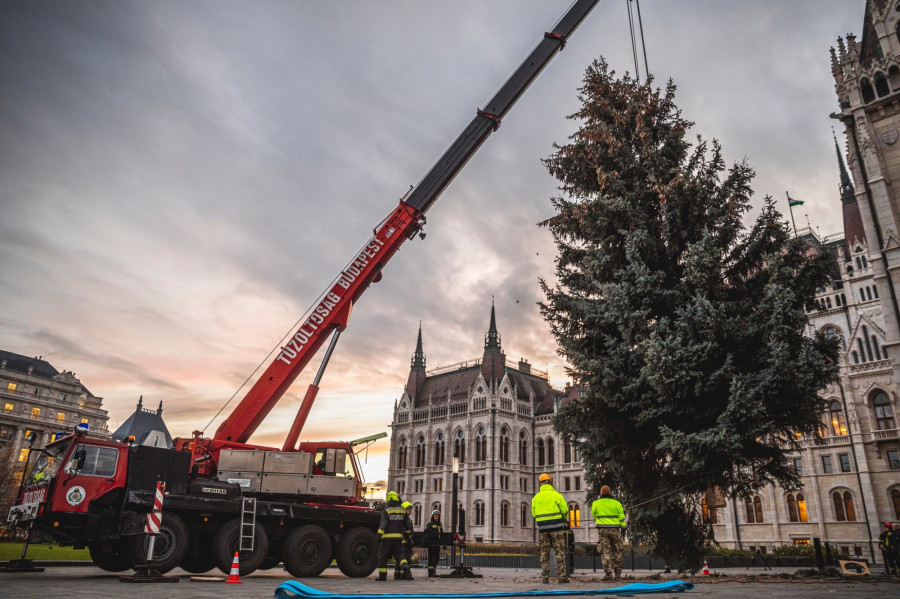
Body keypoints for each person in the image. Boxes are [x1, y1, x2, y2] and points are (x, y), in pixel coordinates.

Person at [531, 472, 569, 584]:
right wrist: (563, 519)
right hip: (556, 528)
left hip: (543, 530)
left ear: (540, 484)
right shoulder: (557, 495)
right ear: (551, 482)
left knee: (544, 553)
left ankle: (545, 577)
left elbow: (534, 514)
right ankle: (562, 577)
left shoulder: (535, 498)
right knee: (559, 552)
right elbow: (565, 510)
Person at [591, 484, 626, 581]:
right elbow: (621, 517)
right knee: (617, 551)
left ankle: (608, 574)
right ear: (610, 492)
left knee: (605, 551)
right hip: (615, 530)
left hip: (602, 530)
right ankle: (618, 575)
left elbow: (594, 515)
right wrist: (623, 527)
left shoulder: (596, 503)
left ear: (601, 493)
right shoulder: (617, 503)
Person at [376, 491, 413, 581]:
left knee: (382, 556)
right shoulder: (402, 510)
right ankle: (406, 567)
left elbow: (383, 524)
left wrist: (379, 535)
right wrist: (408, 535)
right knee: (399, 555)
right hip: (398, 538)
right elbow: (408, 526)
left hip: (387, 538)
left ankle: (382, 576)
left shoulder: (387, 510)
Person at [423, 509, 443, 577]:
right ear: (432, 516)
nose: (436, 516)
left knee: (437, 558)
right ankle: (430, 572)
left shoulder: (440, 524)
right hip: (431, 544)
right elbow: (427, 532)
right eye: (435, 515)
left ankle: (434, 571)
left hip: (437, 544)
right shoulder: (430, 524)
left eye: (437, 515)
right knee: (432, 558)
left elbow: (441, 534)